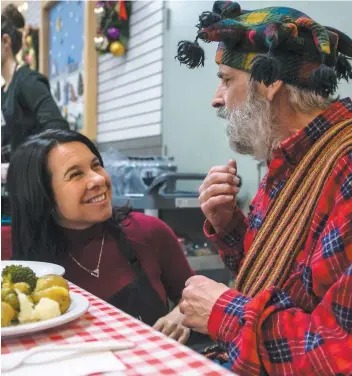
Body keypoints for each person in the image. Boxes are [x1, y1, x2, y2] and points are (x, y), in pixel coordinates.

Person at [176, 1, 352, 375]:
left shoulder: (346, 167)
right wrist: (229, 226)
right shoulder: (289, 159)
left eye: (226, 79)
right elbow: (277, 284)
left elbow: (339, 349)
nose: (216, 98)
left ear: (270, 82)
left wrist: (223, 313)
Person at [6, 129, 193, 344]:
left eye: (96, 166)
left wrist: (179, 314)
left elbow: (192, 295)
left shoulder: (147, 232)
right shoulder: (19, 258)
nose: (98, 179)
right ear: (41, 195)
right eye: (75, 174)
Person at [1, 4, 68, 166]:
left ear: (5, 41)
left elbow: (58, 128)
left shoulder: (28, 81)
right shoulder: (4, 91)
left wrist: (29, 164)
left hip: (30, 182)